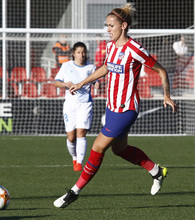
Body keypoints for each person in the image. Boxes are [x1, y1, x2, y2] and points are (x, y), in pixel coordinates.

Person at [53, 3, 177, 208]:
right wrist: (82, 82)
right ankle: (156, 171)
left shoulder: (135, 49)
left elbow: (161, 70)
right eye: (107, 25)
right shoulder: (110, 47)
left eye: (111, 26)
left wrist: (166, 95)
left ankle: (74, 191)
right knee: (120, 149)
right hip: (112, 108)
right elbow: (105, 68)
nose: (108, 29)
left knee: (98, 147)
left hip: (127, 109)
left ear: (124, 26)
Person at [54, 42, 100, 172]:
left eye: (83, 52)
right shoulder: (66, 66)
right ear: (74, 53)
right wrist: (64, 84)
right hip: (70, 104)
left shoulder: (91, 68)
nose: (81, 55)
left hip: (85, 104)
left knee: (81, 132)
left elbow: (97, 80)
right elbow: (56, 83)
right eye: (79, 52)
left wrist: (97, 84)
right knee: (71, 137)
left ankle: (79, 163)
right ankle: (74, 157)